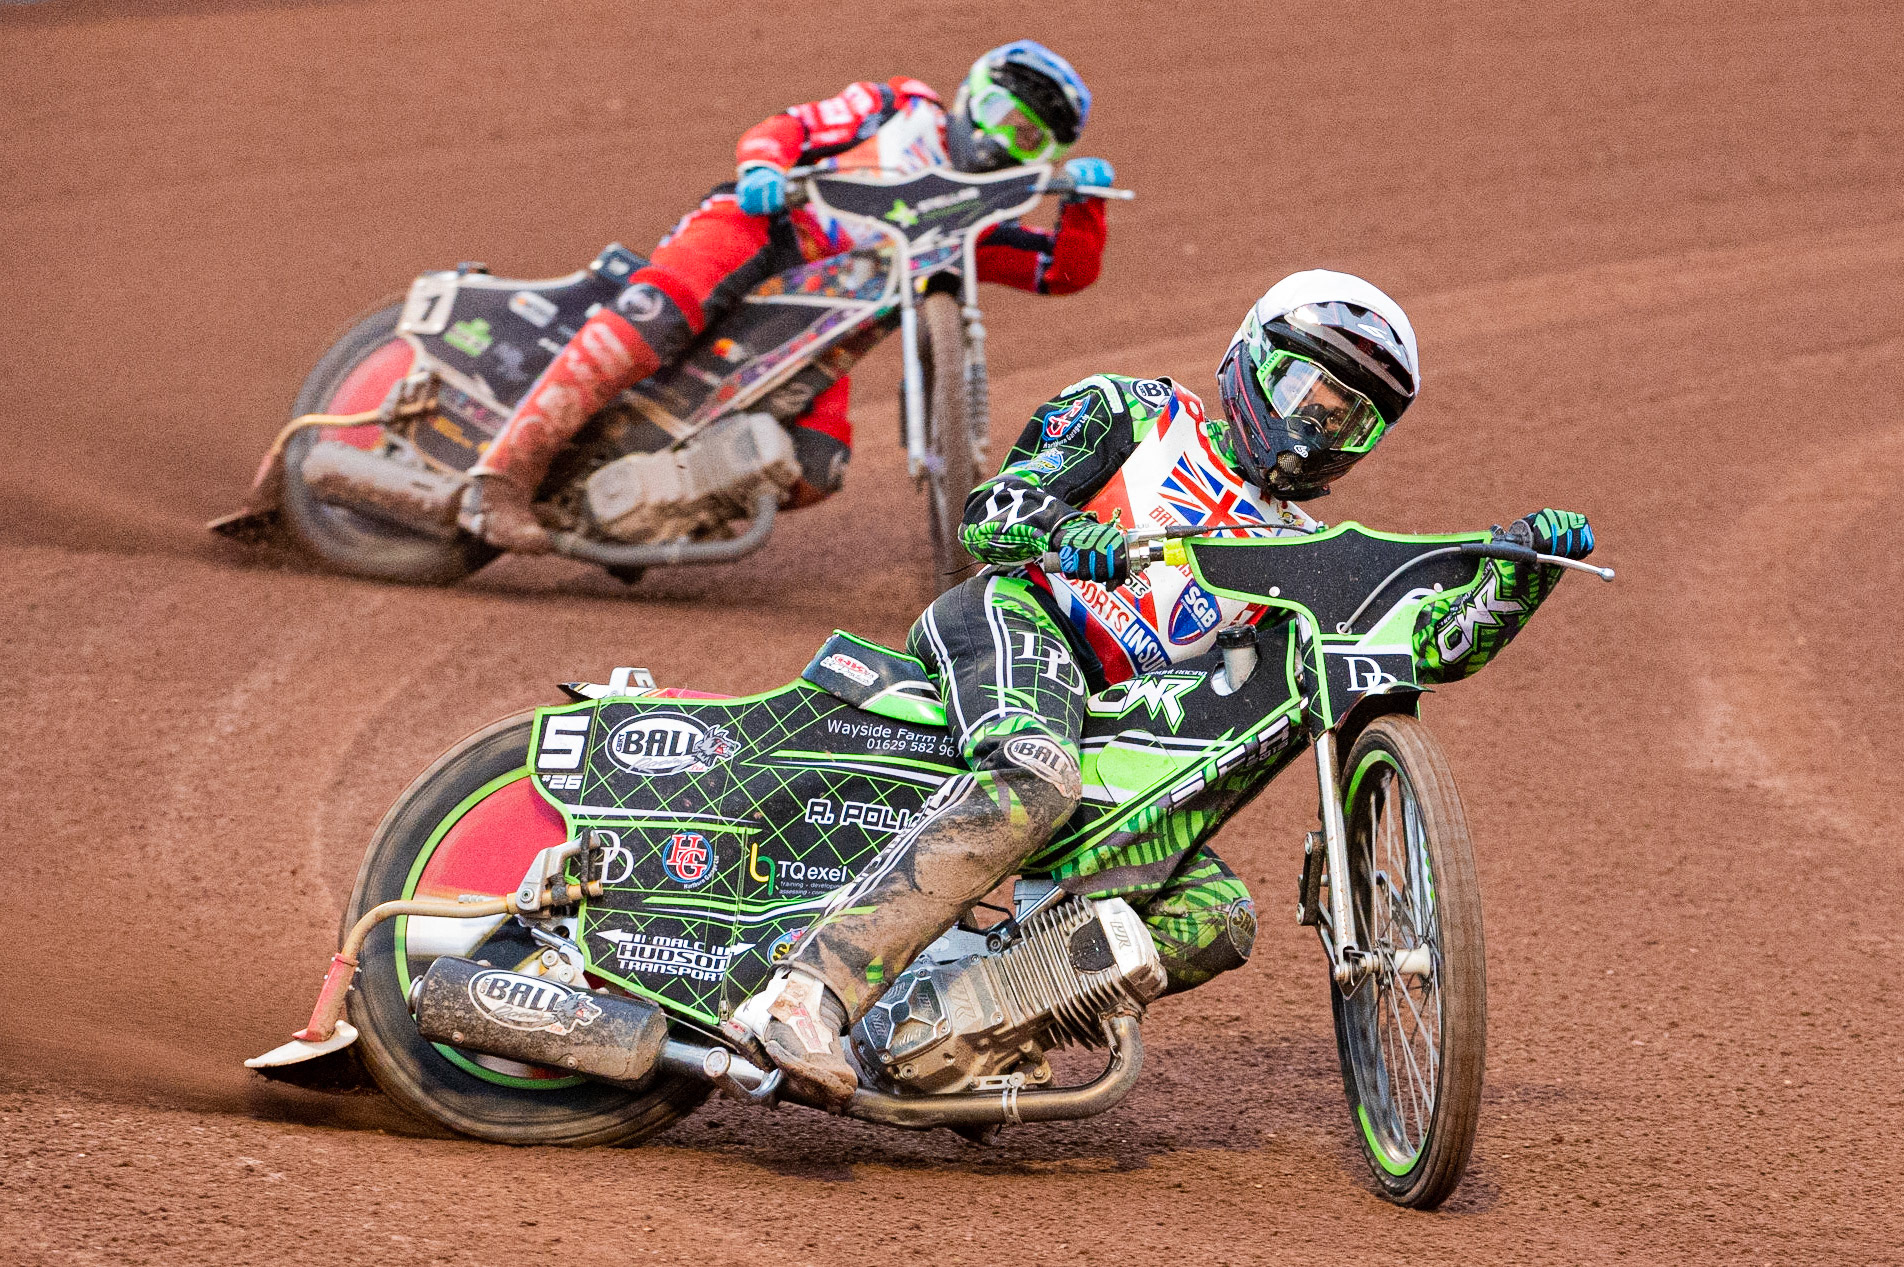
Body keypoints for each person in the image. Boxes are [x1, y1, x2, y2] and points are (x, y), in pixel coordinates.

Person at [735, 268, 1597, 1107]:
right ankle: (805, 995)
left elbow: (1423, 649)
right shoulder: (1137, 413)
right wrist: (1069, 531)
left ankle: (936, 1032)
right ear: (1250, 361)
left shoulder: (1302, 559)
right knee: (1035, 773)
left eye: (1349, 420)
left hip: (1117, 729)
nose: (1315, 427)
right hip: (1023, 619)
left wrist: (1515, 583)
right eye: (1304, 389)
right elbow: (992, 509)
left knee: (1216, 917)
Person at [459, 40, 1116, 553]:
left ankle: (645, 518)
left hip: (824, 336)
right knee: (656, 314)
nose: (1003, 141)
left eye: (1028, 138)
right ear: (971, 95)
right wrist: (765, 168)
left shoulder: (975, 228)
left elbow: (1060, 271)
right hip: (769, 232)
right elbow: (794, 125)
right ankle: (500, 479)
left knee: (816, 467)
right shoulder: (901, 109)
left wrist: (1083, 206)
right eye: (1001, 116)